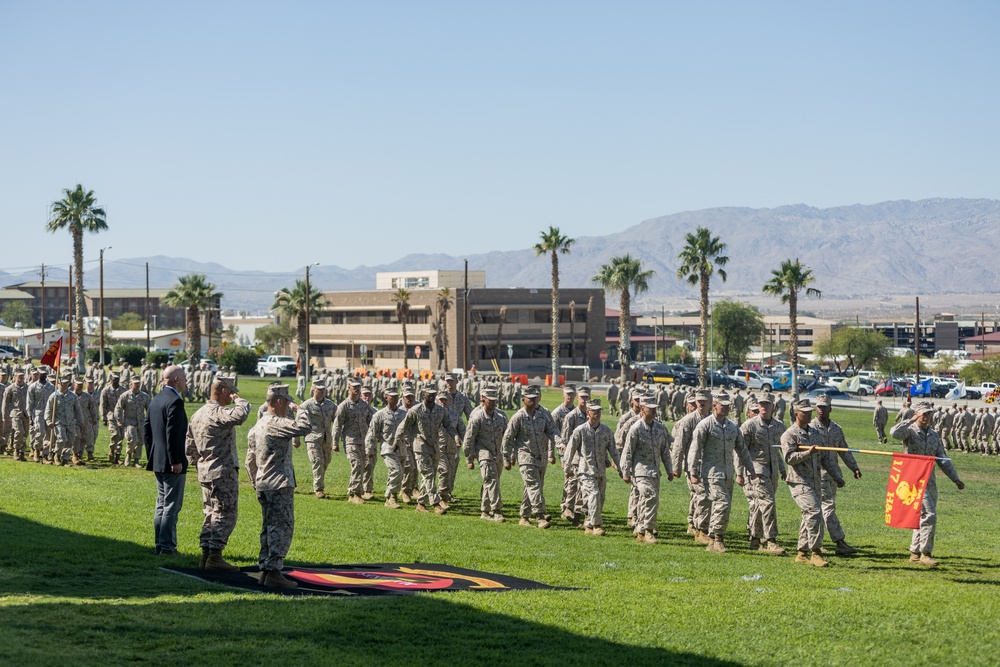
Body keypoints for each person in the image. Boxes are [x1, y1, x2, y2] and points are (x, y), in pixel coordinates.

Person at [246, 383, 312, 589]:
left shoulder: (257, 425)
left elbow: (250, 460)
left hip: (264, 483)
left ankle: (266, 569)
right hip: (279, 483)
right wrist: (300, 411)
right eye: (288, 402)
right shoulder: (276, 422)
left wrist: (255, 481)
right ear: (280, 402)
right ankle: (274, 571)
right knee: (281, 527)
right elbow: (304, 427)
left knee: (268, 527)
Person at [185, 374, 251, 571]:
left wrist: (201, 464)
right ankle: (215, 557)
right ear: (224, 391)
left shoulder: (198, 414)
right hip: (222, 472)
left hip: (205, 472)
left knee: (209, 513)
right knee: (225, 512)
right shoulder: (217, 413)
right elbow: (240, 415)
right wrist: (240, 401)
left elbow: (189, 447)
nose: (232, 395)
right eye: (231, 392)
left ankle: (205, 555)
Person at [889, 401, 965, 567]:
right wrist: (910, 419)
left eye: (928, 413)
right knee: (929, 515)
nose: (926, 417)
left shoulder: (933, 435)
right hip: (912, 481)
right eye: (923, 413)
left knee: (921, 517)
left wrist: (955, 479)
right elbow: (894, 433)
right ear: (916, 414)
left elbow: (942, 458)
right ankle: (926, 553)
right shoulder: (909, 431)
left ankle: (914, 552)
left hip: (929, 481)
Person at [688, 392, 755, 553]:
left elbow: (742, 449)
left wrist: (750, 469)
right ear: (714, 405)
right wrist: (693, 472)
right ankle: (716, 538)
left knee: (725, 507)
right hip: (711, 473)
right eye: (722, 405)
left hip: (727, 474)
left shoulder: (732, 427)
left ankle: (714, 540)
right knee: (722, 503)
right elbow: (695, 449)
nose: (725, 408)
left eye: (728, 405)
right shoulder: (705, 425)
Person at [781, 400, 842, 568]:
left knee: (808, 516)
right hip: (798, 482)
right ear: (796, 414)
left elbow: (826, 459)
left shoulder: (816, 434)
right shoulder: (789, 434)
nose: (808, 415)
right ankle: (816, 552)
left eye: (809, 412)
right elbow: (789, 458)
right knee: (815, 512)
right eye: (804, 412)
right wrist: (808, 453)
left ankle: (802, 553)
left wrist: (837, 476)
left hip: (815, 481)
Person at [143, 365, 189, 557]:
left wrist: (153, 455)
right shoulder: (175, 402)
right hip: (172, 463)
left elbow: (147, 430)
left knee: (161, 504)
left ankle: (160, 545)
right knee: (171, 505)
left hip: (158, 460)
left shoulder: (156, 400)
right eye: (184, 377)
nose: (186, 380)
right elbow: (173, 435)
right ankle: (168, 547)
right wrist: (176, 460)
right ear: (176, 379)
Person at [501, 385, 558, 529]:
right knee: (533, 486)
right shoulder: (518, 417)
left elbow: (552, 430)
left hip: (541, 456)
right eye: (530, 399)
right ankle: (540, 516)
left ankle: (524, 516)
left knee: (533, 486)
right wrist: (507, 458)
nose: (533, 401)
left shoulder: (544, 413)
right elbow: (508, 438)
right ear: (523, 400)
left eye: (535, 398)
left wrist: (560, 443)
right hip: (525, 456)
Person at [812, 394, 861, 556]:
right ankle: (839, 541)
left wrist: (854, 468)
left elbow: (844, 451)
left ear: (830, 409)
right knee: (827, 507)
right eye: (819, 407)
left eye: (824, 407)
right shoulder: (811, 428)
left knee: (821, 509)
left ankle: (817, 542)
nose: (821, 410)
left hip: (833, 476)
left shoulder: (836, 429)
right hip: (816, 475)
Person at [394, 387, 456, 514]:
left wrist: (455, 437)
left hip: (435, 447)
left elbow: (448, 425)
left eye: (434, 394)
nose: (432, 396)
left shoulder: (441, 411)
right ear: (423, 395)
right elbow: (403, 426)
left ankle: (421, 504)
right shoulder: (415, 411)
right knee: (428, 474)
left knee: (429, 477)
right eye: (429, 394)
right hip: (420, 447)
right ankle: (436, 504)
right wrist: (396, 441)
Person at [738, 393, 787, 554]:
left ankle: (755, 538)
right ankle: (771, 540)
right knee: (768, 503)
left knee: (760, 505)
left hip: (772, 471)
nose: (764, 407)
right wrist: (740, 473)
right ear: (757, 406)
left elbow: (778, 451)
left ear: (773, 406)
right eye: (761, 404)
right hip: (756, 471)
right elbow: (740, 451)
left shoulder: (779, 426)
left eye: (767, 404)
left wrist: (782, 469)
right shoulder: (749, 425)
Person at [620, 398, 672, 544]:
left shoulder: (660, 428)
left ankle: (641, 531)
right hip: (640, 471)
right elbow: (628, 451)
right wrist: (626, 472)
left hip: (655, 472)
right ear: (643, 410)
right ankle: (649, 531)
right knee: (651, 497)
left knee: (646, 500)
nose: (654, 410)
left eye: (655, 408)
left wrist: (669, 470)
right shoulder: (636, 428)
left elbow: (665, 451)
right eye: (650, 408)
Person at [566, 400, 619, 536]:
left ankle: (589, 523)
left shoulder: (606, 431)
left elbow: (614, 451)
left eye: (599, 411)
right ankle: (596, 526)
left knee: (600, 498)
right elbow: (570, 450)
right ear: (588, 412)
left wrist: (621, 468)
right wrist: (567, 468)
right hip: (585, 470)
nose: (597, 414)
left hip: (601, 470)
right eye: (594, 411)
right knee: (594, 495)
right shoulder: (581, 430)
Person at [463, 386, 507, 522]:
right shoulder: (477, 417)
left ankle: (485, 511)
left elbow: (508, 436)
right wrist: (469, 459)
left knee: (491, 480)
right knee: (491, 479)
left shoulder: (501, 416)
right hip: (483, 452)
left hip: (497, 453)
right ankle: (497, 511)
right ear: (484, 400)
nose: (493, 403)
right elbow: (469, 439)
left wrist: (508, 455)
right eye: (490, 400)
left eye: (495, 400)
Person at [368, 387, 407, 509]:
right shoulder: (380, 415)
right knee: (396, 470)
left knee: (398, 474)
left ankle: (390, 499)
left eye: (396, 397)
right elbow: (372, 433)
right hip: (388, 448)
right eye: (392, 397)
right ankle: (390, 496)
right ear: (386, 398)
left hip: (402, 448)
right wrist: (370, 449)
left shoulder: (404, 414)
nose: (394, 399)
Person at [333, 378, 371, 504]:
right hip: (350, 440)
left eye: (358, 386)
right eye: (354, 387)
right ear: (349, 387)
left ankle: (355, 492)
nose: (357, 389)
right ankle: (354, 493)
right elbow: (337, 425)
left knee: (362, 466)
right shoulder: (344, 406)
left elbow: (370, 422)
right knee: (357, 464)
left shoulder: (364, 405)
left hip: (363, 441)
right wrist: (335, 442)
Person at [300, 380, 337, 499]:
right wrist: (296, 439)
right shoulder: (306, 405)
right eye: (319, 389)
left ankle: (318, 479)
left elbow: (337, 420)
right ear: (313, 390)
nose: (321, 392)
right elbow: (298, 422)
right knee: (317, 461)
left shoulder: (330, 405)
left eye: (323, 390)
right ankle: (318, 489)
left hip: (326, 439)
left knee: (326, 461)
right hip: (312, 438)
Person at [45, 372, 84, 466]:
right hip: (59, 422)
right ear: (59, 383)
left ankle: (65, 459)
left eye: (67, 383)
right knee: (62, 439)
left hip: (70, 422)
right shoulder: (54, 396)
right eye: (63, 383)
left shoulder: (73, 396)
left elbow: (78, 410)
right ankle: (57, 455)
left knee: (70, 441)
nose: (65, 385)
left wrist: (81, 420)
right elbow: (48, 410)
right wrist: (48, 421)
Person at [117, 377, 151, 467]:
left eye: (138, 384)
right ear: (130, 384)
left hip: (141, 422)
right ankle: (128, 455)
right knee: (132, 439)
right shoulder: (125, 395)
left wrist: (149, 421)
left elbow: (149, 410)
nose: (137, 386)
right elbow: (118, 408)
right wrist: (119, 420)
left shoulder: (145, 396)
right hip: (129, 421)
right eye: (135, 384)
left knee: (140, 441)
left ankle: (136, 460)